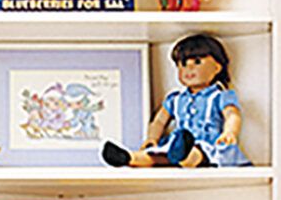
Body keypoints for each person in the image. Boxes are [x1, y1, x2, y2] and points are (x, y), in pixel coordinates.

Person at [102, 31, 248, 168]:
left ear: (217, 67)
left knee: (196, 153)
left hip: (207, 144)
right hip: (177, 144)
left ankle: (184, 157)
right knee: (157, 154)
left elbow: (232, 114)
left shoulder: (220, 96)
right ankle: (129, 158)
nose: (189, 68)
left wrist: (229, 132)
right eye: (183, 64)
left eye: (197, 62)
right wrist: (152, 138)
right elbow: (159, 121)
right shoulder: (176, 99)